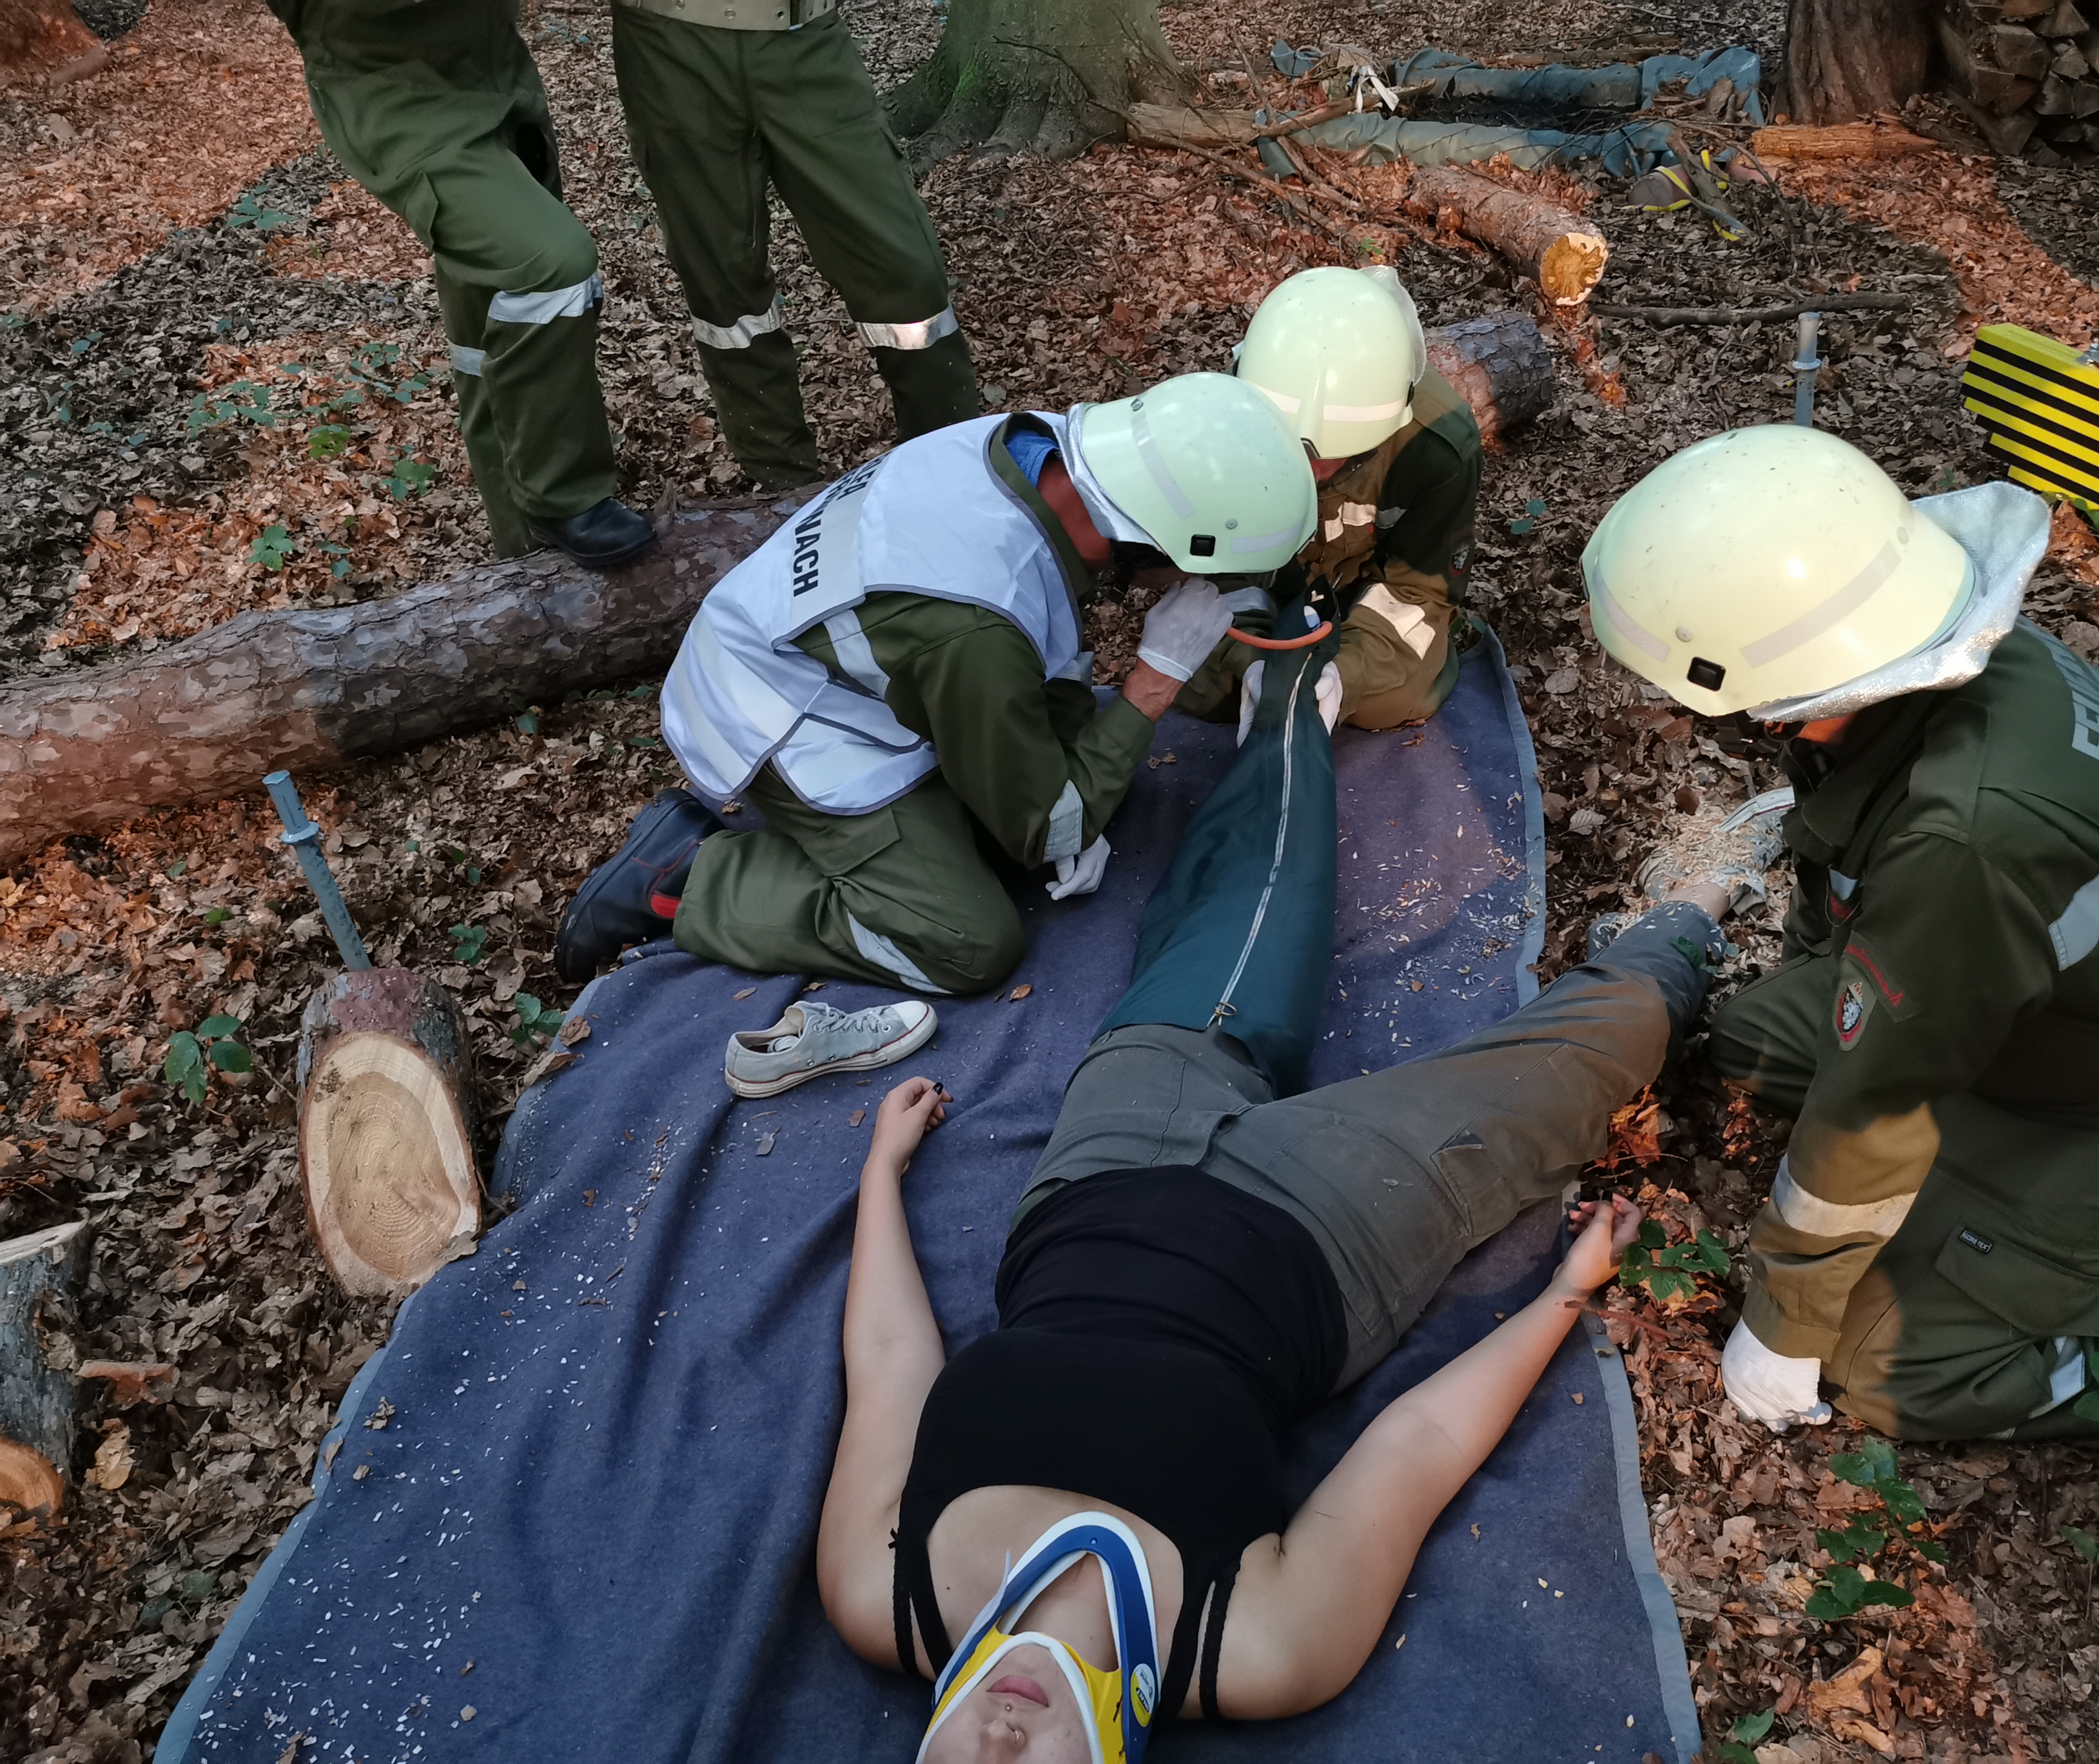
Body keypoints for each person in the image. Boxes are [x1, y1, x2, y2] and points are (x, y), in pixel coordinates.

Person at [812, 639, 1743, 1755]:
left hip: (1108, 1167)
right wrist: (1561, 1296)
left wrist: (880, 1172)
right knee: (1587, 1062)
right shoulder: (1258, 1652)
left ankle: (1291, 675)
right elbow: (1415, 1446)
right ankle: (1703, 906)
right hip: (1327, 1234)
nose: (1001, 1746)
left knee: (1253, 903)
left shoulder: (879, 1593)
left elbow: (889, 1363)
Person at [1584, 422, 2099, 1442]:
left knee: (1887, 1364)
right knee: (1757, 1042)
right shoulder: (1934, 661)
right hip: (2058, 1007)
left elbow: (1879, 1103)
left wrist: (1786, 1316)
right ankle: (1999, 1189)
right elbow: (1844, 854)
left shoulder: (1968, 836)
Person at [552, 373, 1318, 993]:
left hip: (808, 645)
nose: (1189, 587)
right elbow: (1043, 829)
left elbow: (1031, 642)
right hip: (776, 716)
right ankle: (690, 875)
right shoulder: (973, 626)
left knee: (1065, 787)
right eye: (1193, 571)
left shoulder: (1038, 450)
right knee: (967, 941)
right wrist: (1156, 683)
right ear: (1155, 539)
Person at [262, 1, 654, 567]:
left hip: (496, 74)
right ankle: (561, 497)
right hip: (397, 97)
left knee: (488, 320)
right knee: (549, 267)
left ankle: (522, 552)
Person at [608, 0, 981, 490]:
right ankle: (784, 489)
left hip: (806, 40)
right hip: (670, 46)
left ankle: (952, 470)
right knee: (725, 287)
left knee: (903, 268)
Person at [1177, 265, 1483, 732]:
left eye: (1330, 454)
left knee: (1391, 700)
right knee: (1207, 684)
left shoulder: (1436, 447)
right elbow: (1210, 562)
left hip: (1368, 593)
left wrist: (1346, 676)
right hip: (1260, 579)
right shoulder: (1228, 416)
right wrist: (1248, 660)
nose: (1308, 469)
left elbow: (1418, 591)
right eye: (1288, 447)